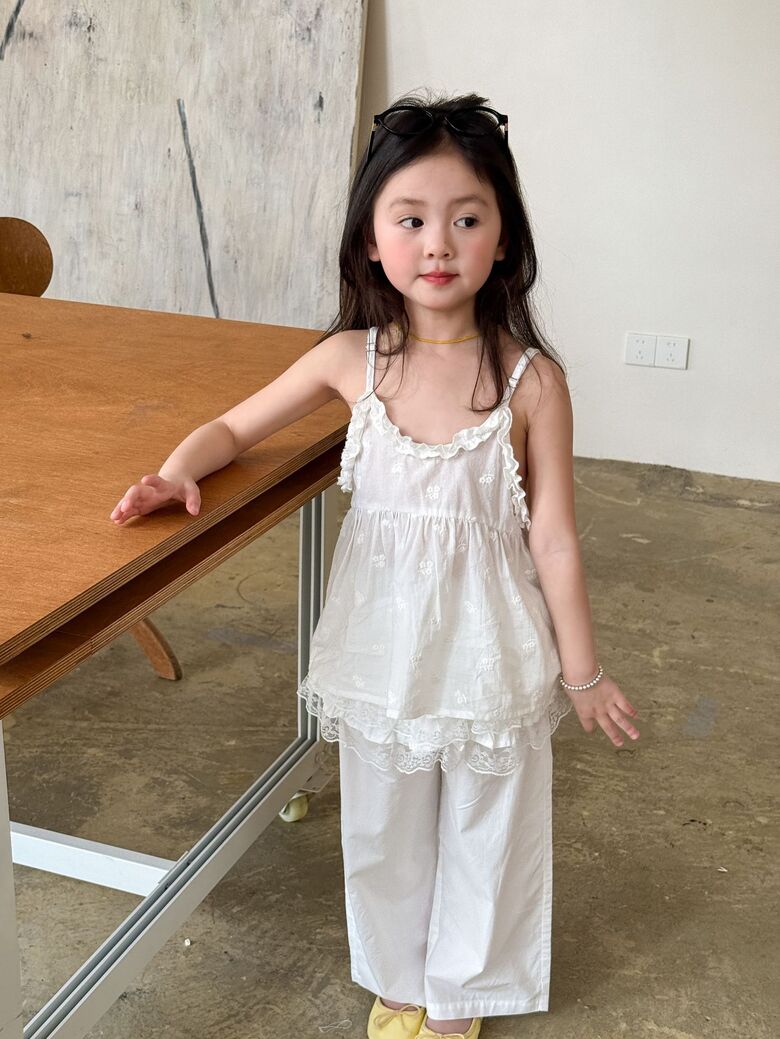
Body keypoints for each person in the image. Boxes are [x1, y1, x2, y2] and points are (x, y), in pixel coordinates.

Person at [110, 91, 640, 1039]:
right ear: (370, 240)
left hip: (490, 644)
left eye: (466, 219)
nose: (438, 243)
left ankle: (464, 992)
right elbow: (234, 426)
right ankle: (399, 977)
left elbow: (555, 537)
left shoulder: (533, 383)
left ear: (504, 241)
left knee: (488, 819)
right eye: (411, 219)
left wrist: (584, 671)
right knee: (383, 819)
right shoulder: (350, 360)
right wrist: (177, 471)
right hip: (381, 643)